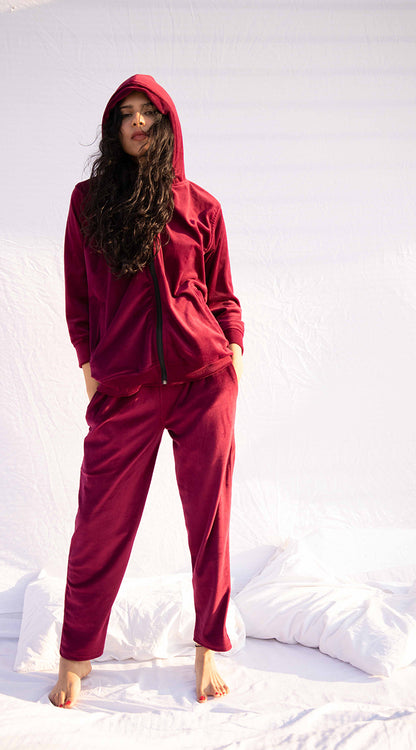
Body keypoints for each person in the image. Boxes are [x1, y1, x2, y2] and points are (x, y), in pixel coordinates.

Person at [48, 74, 244, 708]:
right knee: (99, 524)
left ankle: (208, 648)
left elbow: (223, 296)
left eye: (148, 113)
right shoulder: (88, 202)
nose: (137, 122)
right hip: (125, 388)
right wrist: (90, 367)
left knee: (210, 520)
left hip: (203, 382)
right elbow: (78, 298)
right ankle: (75, 655)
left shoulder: (201, 206)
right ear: (114, 128)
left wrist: (234, 352)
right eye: (125, 113)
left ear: (166, 125)